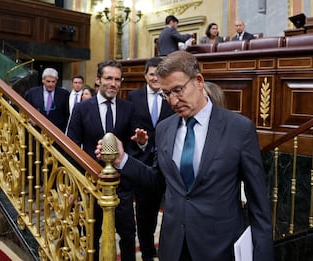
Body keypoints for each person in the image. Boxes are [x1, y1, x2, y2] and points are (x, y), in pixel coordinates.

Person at [95, 51, 273, 261]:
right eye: (166, 93)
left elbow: (259, 207)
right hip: (173, 247)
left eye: (178, 90)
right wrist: (123, 160)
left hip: (220, 248)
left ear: (198, 81)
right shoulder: (164, 129)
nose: (173, 100)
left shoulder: (239, 129)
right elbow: (159, 181)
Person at [66, 60, 144, 261]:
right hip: (92, 184)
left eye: (118, 79)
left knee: (127, 234)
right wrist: (76, 185)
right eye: (109, 78)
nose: (114, 83)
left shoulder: (129, 108)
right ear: (98, 80)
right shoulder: (82, 109)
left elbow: (135, 145)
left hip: (121, 185)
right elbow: (73, 147)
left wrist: (142, 143)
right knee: (92, 234)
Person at [126, 57, 174, 261]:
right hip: (143, 163)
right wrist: (140, 143)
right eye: (152, 74)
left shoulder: (171, 95)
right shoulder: (133, 97)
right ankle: (146, 252)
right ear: (145, 75)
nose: (155, 78)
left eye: (159, 74)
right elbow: (129, 128)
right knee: (145, 214)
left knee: (169, 213)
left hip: (168, 164)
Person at [24, 68, 70, 132]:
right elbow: (25, 111)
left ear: (56, 81)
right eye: (48, 81)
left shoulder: (64, 94)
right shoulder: (32, 93)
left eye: (53, 81)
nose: (51, 84)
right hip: (36, 133)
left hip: (57, 134)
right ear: (43, 80)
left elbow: (67, 115)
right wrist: (30, 119)